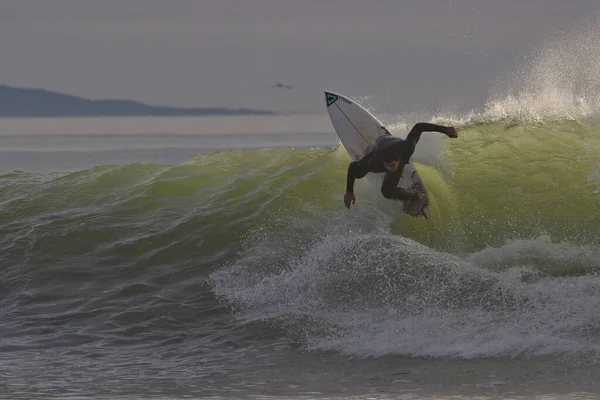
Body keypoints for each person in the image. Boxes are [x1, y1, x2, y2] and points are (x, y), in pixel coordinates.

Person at [343, 123, 458, 214]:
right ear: (383, 162)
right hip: (379, 145)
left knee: (388, 188)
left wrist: (446, 130)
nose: (392, 168)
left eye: (393, 164)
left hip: (394, 144)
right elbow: (353, 167)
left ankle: (417, 196)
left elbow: (419, 127)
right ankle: (413, 196)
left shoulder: (407, 148)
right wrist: (349, 191)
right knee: (383, 188)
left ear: (398, 159)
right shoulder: (373, 163)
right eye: (389, 165)